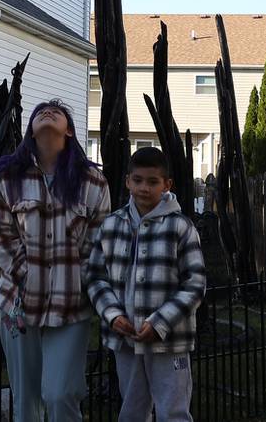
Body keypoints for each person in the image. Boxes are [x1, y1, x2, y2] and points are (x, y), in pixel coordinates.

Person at [0, 101, 110, 422]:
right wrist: (28, 275)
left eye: (57, 112)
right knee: (26, 403)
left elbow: (98, 243)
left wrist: (76, 280)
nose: (48, 112)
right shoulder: (7, 176)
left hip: (70, 307)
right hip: (18, 304)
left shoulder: (93, 181)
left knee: (60, 395)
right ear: (30, 129)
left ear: (68, 130)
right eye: (40, 112)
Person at [84, 146, 206, 422]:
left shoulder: (181, 227)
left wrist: (160, 323)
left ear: (167, 185)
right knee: (132, 410)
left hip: (170, 341)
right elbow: (94, 276)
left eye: (152, 182)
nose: (144, 188)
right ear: (127, 181)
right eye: (137, 180)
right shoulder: (111, 225)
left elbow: (195, 283)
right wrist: (113, 316)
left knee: (173, 412)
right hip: (125, 339)